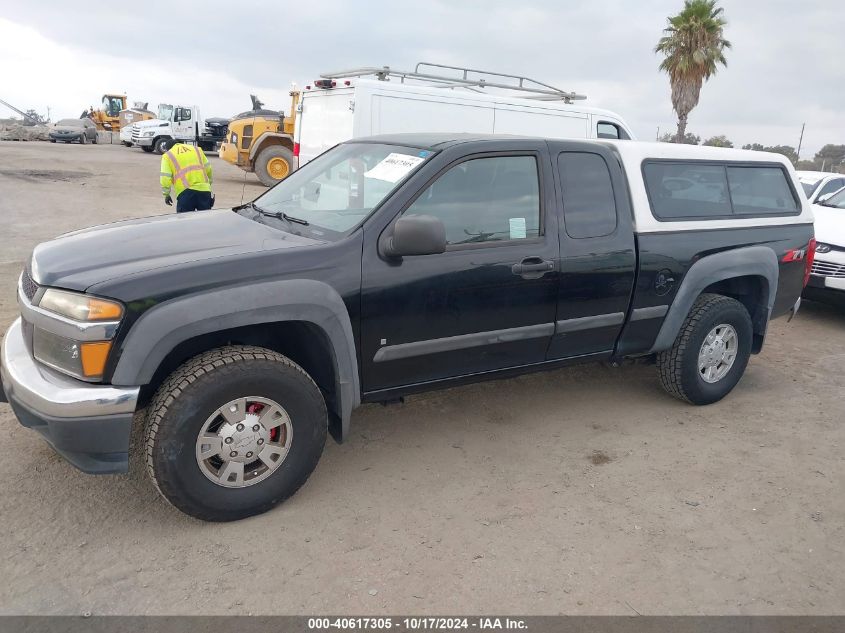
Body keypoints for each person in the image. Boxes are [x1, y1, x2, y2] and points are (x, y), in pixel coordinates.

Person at [159, 139, 214, 213]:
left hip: (185, 192)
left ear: (168, 149)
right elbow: (208, 168)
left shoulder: (168, 155)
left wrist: (166, 194)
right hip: (204, 191)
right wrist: (208, 184)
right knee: (205, 220)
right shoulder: (196, 149)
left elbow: (165, 177)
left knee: (184, 222)